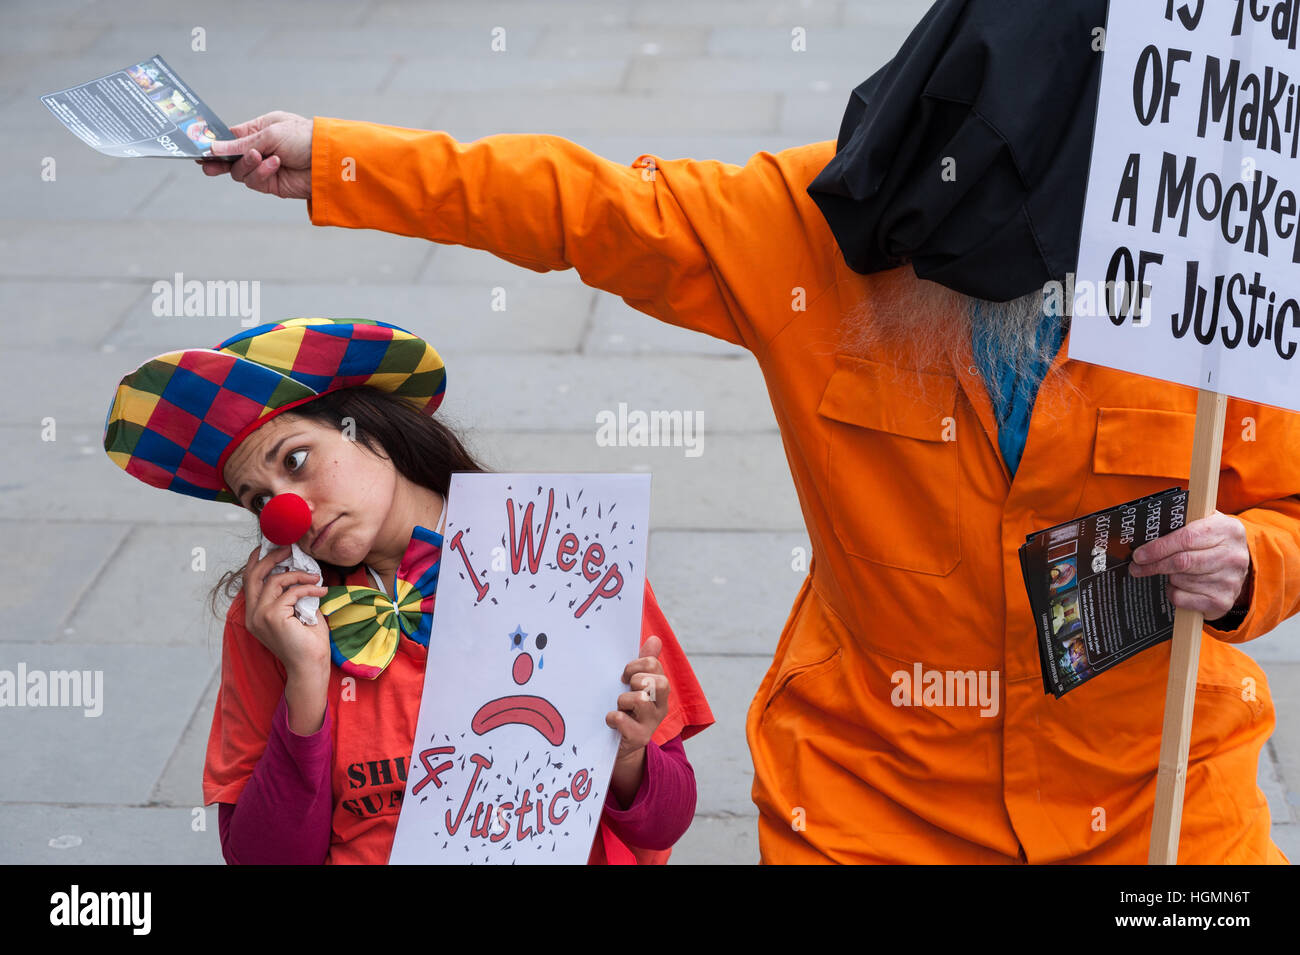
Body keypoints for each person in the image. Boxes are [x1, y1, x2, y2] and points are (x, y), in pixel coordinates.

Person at [197, 2, 1300, 863]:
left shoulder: (1216, 256)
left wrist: (1252, 563)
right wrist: (341, 159)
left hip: (1160, 797)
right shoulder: (810, 224)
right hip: (876, 802)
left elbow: (1288, 510)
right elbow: (582, 206)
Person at [102, 317, 714, 864]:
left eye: (294, 461)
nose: (287, 512)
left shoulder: (569, 555)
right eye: (257, 499)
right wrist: (306, 682)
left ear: (370, 430)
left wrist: (630, 756)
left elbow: (666, 822)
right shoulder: (273, 617)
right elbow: (265, 857)